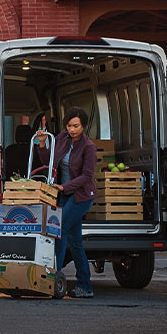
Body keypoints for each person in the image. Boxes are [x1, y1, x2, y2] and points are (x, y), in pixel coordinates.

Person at [36, 107, 97, 299]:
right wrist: (43, 144)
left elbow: (87, 176)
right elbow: (48, 161)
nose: (72, 129)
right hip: (63, 194)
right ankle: (85, 286)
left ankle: (52, 280)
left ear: (84, 126)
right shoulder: (61, 138)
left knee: (59, 231)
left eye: (76, 126)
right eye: (69, 125)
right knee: (75, 241)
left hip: (81, 196)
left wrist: (65, 187)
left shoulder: (89, 147)